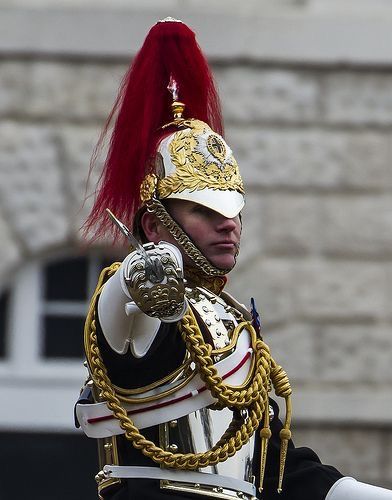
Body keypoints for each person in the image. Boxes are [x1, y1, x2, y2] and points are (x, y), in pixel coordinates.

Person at [76, 19, 392, 500]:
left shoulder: (230, 321)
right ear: (154, 223)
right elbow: (122, 306)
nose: (230, 224)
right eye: (205, 210)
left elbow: (280, 470)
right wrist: (146, 270)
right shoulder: (139, 304)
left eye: (234, 210)